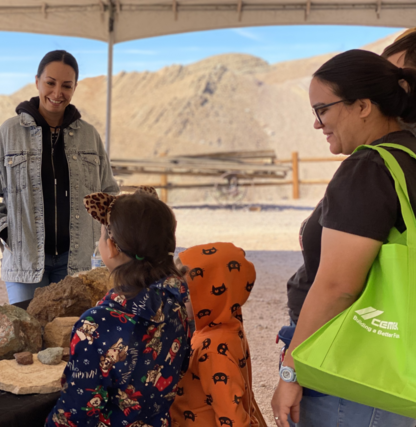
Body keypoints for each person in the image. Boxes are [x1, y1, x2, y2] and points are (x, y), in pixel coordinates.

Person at [271, 49, 416, 427]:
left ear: (363, 106)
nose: (317, 124)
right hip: (397, 366)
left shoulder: (369, 168)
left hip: (356, 371)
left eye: (323, 109)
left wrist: (291, 371)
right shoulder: (410, 156)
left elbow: (337, 287)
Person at [0, 50, 118, 305]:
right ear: (37, 81)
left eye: (66, 85)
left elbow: (109, 192)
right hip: (24, 264)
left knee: (71, 336)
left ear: (74, 88)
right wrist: (3, 230)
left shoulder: (89, 136)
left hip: (78, 263)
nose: (57, 92)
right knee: (28, 337)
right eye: (50, 83)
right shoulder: (8, 133)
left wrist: (104, 240)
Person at [46, 187, 191, 427]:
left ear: (111, 247)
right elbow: (181, 365)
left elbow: (77, 410)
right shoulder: (175, 303)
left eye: (101, 235)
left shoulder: (96, 323)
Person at [170, 242, 261, 427]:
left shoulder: (213, 348)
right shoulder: (227, 325)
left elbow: (232, 419)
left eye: (186, 293)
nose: (176, 298)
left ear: (212, 295)